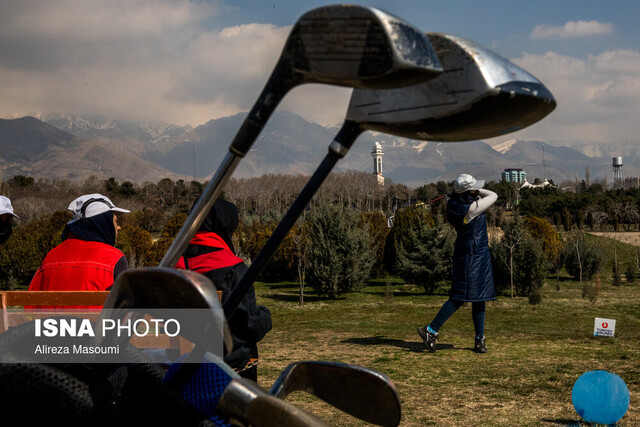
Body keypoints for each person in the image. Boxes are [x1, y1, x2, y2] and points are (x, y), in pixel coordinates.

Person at [176, 198, 272, 381]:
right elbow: (251, 327)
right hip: (230, 370)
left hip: (182, 367)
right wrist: (266, 317)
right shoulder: (234, 270)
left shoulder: (171, 266)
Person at [417, 174, 497, 354]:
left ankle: (479, 339)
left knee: (480, 296)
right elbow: (493, 195)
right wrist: (475, 191)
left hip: (473, 252)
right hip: (472, 254)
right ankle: (430, 330)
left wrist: (460, 192)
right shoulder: (470, 208)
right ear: (468, 192)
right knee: (460, 296)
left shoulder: (454, 204)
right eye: (473, 188)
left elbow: (473, 195)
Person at [28, 193, 130, 309]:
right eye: (115, 221)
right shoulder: (114, 258)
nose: (118, 227)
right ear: (102, 223)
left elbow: (31, 303)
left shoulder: (51, 256)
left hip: (49, 326)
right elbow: (125, 309)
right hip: (95, 327)